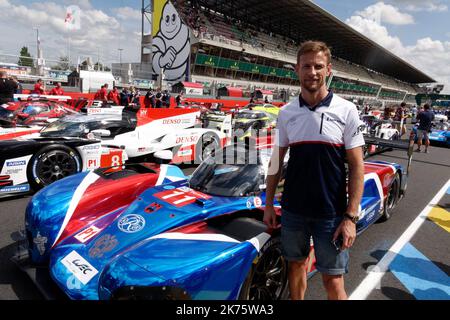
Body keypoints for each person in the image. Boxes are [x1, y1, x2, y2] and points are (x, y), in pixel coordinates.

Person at [263, 41, 365, 300]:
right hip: (293, 210)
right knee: (295, 268)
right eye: (306, 66)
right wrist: (268, 205)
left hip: (330, 214)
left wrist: (350, 217)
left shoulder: (346, 109)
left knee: (333, 281)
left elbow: (356, 167)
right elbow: (276, 161)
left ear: (328, 70)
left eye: (318, 66)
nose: (312, 72)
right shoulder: (286, 113)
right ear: (297, 70)